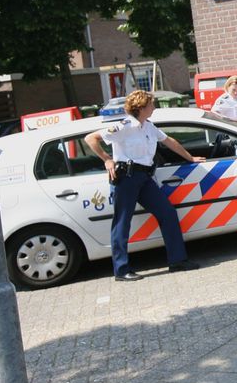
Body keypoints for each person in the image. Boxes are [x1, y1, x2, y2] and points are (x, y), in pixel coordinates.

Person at [84, 90, 205, 281]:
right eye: (151, 104)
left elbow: (170, 142)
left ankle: (177, 261)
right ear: (141, 107)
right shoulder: (124, 126)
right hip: (126, 179)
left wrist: (190, 158)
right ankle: (121, 270)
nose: (154, 107)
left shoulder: (148, 126)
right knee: (122, 223)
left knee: (167, 213)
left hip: (145, 178)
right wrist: (107, 159)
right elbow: (91, 139)